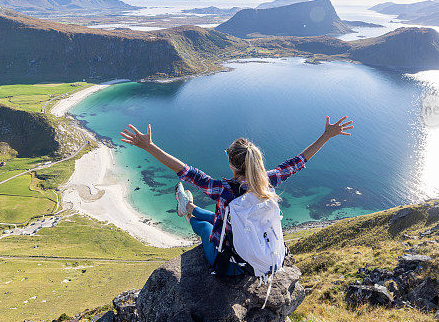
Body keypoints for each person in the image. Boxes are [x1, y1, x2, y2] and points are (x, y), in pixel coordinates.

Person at [119, 116, 354, 275]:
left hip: (232, 266)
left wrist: (149, 146)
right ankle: (188, 205)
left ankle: (186, 210)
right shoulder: (267, 182)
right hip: (262, 258)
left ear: (231, 163)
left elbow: (186, 171)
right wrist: (326, 136)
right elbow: (297, 162)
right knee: (217, 217)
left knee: (205, 227)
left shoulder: (224, 189)